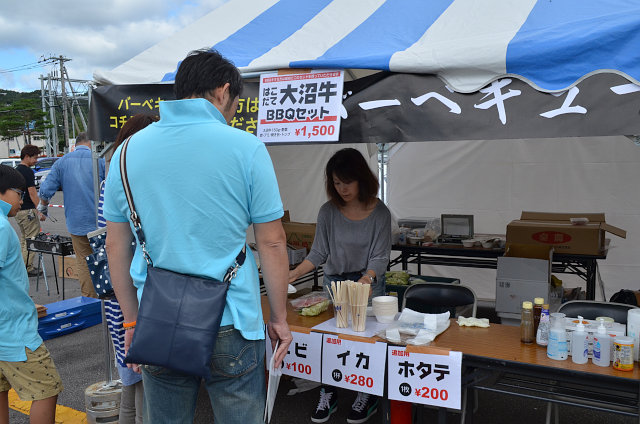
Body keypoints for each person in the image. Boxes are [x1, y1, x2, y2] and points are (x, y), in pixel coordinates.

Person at [103, 49, 292, 424]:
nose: (233, 113)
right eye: (236, 104)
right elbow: (272, 242)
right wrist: (280, 318)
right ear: (223, 92)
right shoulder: (247, 147)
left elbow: (115, 246)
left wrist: (130, 322)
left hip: (157, 320)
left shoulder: (125, 152)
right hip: (232, 320)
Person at [289, 148, 391, 424]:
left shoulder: (380, 212)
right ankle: (329, 391)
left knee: (366, 343)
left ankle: (365, 394)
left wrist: (367, 278)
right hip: (334, 284)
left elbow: (380, 256)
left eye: (347, 181)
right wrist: (294, 273)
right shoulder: (328, 212)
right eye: (336, 183)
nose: (342, 188)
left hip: (367, 285)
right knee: (330, 341)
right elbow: (318, 253)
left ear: (361, 179)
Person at [94, 114, 158, 424]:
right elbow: (119, 242)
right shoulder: (138, 180)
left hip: (117, 288)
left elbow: (109, 240)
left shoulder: (112, 178)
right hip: (135, 290)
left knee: (131, 381)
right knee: (144, 380)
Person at [0, 165, 63, 424]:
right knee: (47, 389)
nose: (21, 199)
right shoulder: (2, 228)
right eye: (17, 192)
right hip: (13, 330)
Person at [38, 132, 105, 298]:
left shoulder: (62, 162)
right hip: (102, 222)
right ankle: (109, 298)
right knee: (105, 260)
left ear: (77, 144)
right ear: (92, 142)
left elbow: (46, 191)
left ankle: (90, 299)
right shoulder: (100, 161)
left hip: (77, 223)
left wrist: (43, 207)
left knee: (83, 261)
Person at [14, 144, 46, 276]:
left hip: (19, 210)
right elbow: (32, 193)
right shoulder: (27, 171)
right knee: (32, 239)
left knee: (24, 239)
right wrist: (41, 210)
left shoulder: (16, 170)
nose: (36, 160)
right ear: (27, 156)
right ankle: (28, 267)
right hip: (28, 211)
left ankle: (22, 265)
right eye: (34, 157)